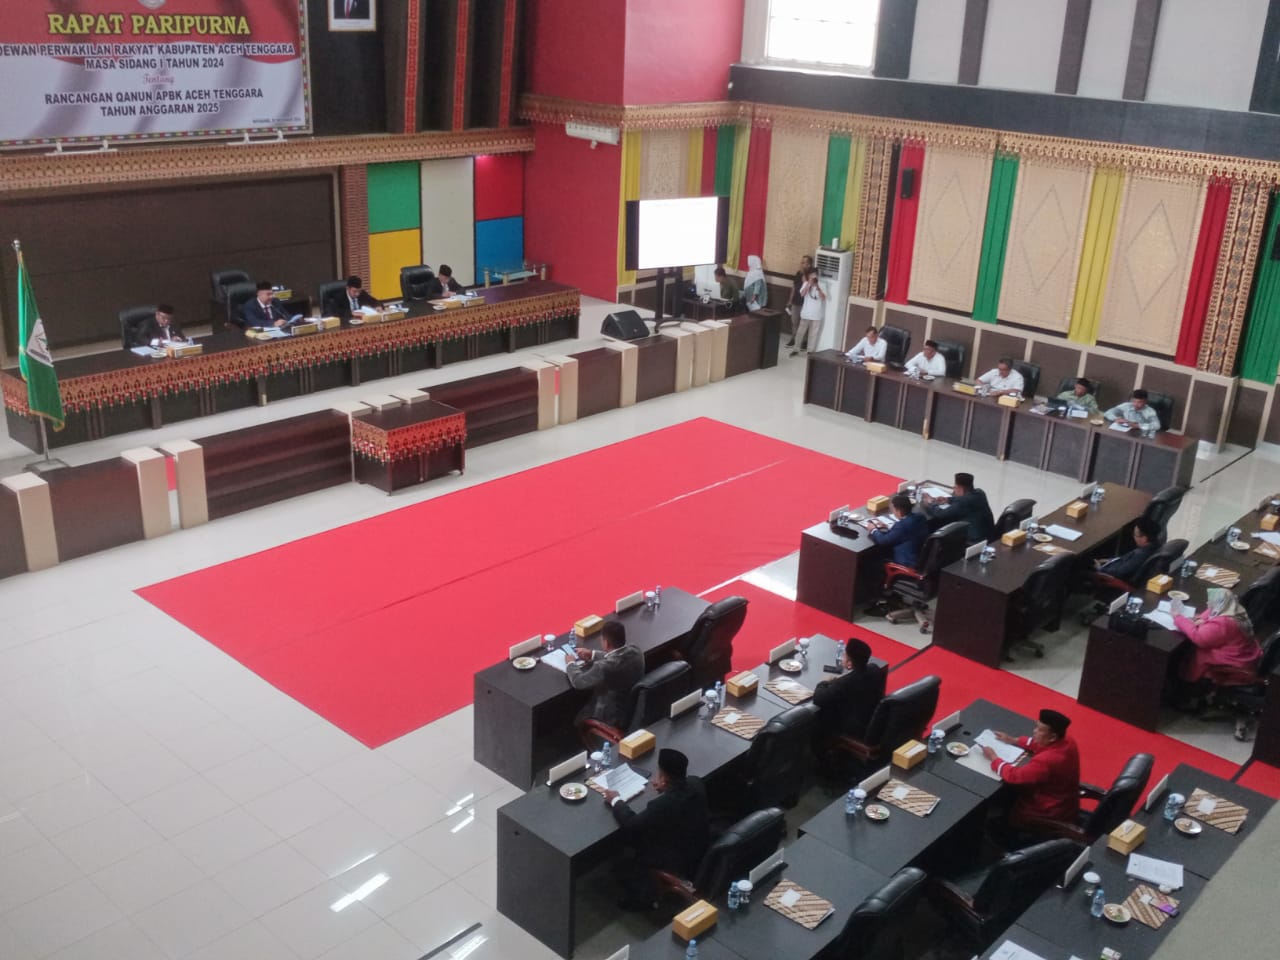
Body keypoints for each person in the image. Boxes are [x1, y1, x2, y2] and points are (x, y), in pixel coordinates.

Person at [604, 747, 709, 910]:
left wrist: (616, 800)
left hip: (674, 857)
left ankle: (640, 898)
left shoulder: (661, 804)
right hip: (698, 844)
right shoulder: (696, 782)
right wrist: (667, 788)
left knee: (626, 852)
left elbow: (631, 824)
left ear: (663, 778)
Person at [981, 708, 1080, 831]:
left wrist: (993, 758)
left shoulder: (1046, 760)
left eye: (1039, 730)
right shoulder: (1068, 740)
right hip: (1066, 802)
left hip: (1047, 809)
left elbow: (1014, 776)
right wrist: (1014, 740)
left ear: (1053, 737)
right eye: (1036, 726)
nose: (1034, 731)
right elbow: (1040, 743)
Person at [1172, 588, 1262, 719]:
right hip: (1247, 654)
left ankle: (1189, 694)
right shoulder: (1234, 609)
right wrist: (1201, 619)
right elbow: (1210, 611)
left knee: (1194, 652)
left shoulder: (1223, 623)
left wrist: (1178, 617)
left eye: (1211, 601)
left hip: (1234, 662)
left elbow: (1199, 638)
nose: (1207, 603)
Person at [565, 620, 644, 730]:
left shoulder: (602, 667)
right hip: (633, 707)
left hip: (610, 715)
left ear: (606, 643)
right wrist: (592, 654)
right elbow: (619, 657)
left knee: (575, 720)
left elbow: (578, 682)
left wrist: (570, 663)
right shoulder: (636, 651)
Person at [813, 638, 886, 740]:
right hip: (874, 720)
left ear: (849, 663)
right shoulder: (874, 669)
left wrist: (823, 682)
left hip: (855, 729)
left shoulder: (845, 683)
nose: (843, 656)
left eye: (845, 655)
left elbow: (818, 699)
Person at [922, 472, 995, 544]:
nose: (954, 490)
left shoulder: (963, 502)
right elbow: (965, 499)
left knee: (937, 525)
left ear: (960, 488)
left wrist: (929, 503)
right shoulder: (980, 493)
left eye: (955, 487)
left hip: (974, 541)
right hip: (988, 535)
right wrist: (948, 500)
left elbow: (940, 514)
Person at [1093, 516, 1160, 583]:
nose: (1133, 537)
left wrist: (1101, 569)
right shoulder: (1151, 546)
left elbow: (1120, 572)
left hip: (1111, 575)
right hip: (1114, 565)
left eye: (1135, 534)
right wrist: (1110, 560)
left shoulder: (1140, 555)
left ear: (1144, 539)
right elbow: (1125, 559)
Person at [791, 268, 825, 357]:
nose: (813, 276)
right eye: (811, 275)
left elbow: (823, 298)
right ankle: (796, 349)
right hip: (806, 313)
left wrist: (817, 287)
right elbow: (802, 294)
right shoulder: (806, 283)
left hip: (817, 314)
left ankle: (810, 351)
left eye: (814, 275)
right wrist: (808, 284)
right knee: (800, 332)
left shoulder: (822, 284)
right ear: (808, 276)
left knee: (813, 334)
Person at [786, 254, 813, 347]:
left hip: (805, 303)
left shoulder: (811, 276)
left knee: (804, 323)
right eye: (801, 262)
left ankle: (804, 341)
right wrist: (790, 300)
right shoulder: (798, 273)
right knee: (794, 321)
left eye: (804, 262)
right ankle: (794, 338)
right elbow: (794, 287)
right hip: (795, 301)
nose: (802, 264)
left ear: (809, 264)